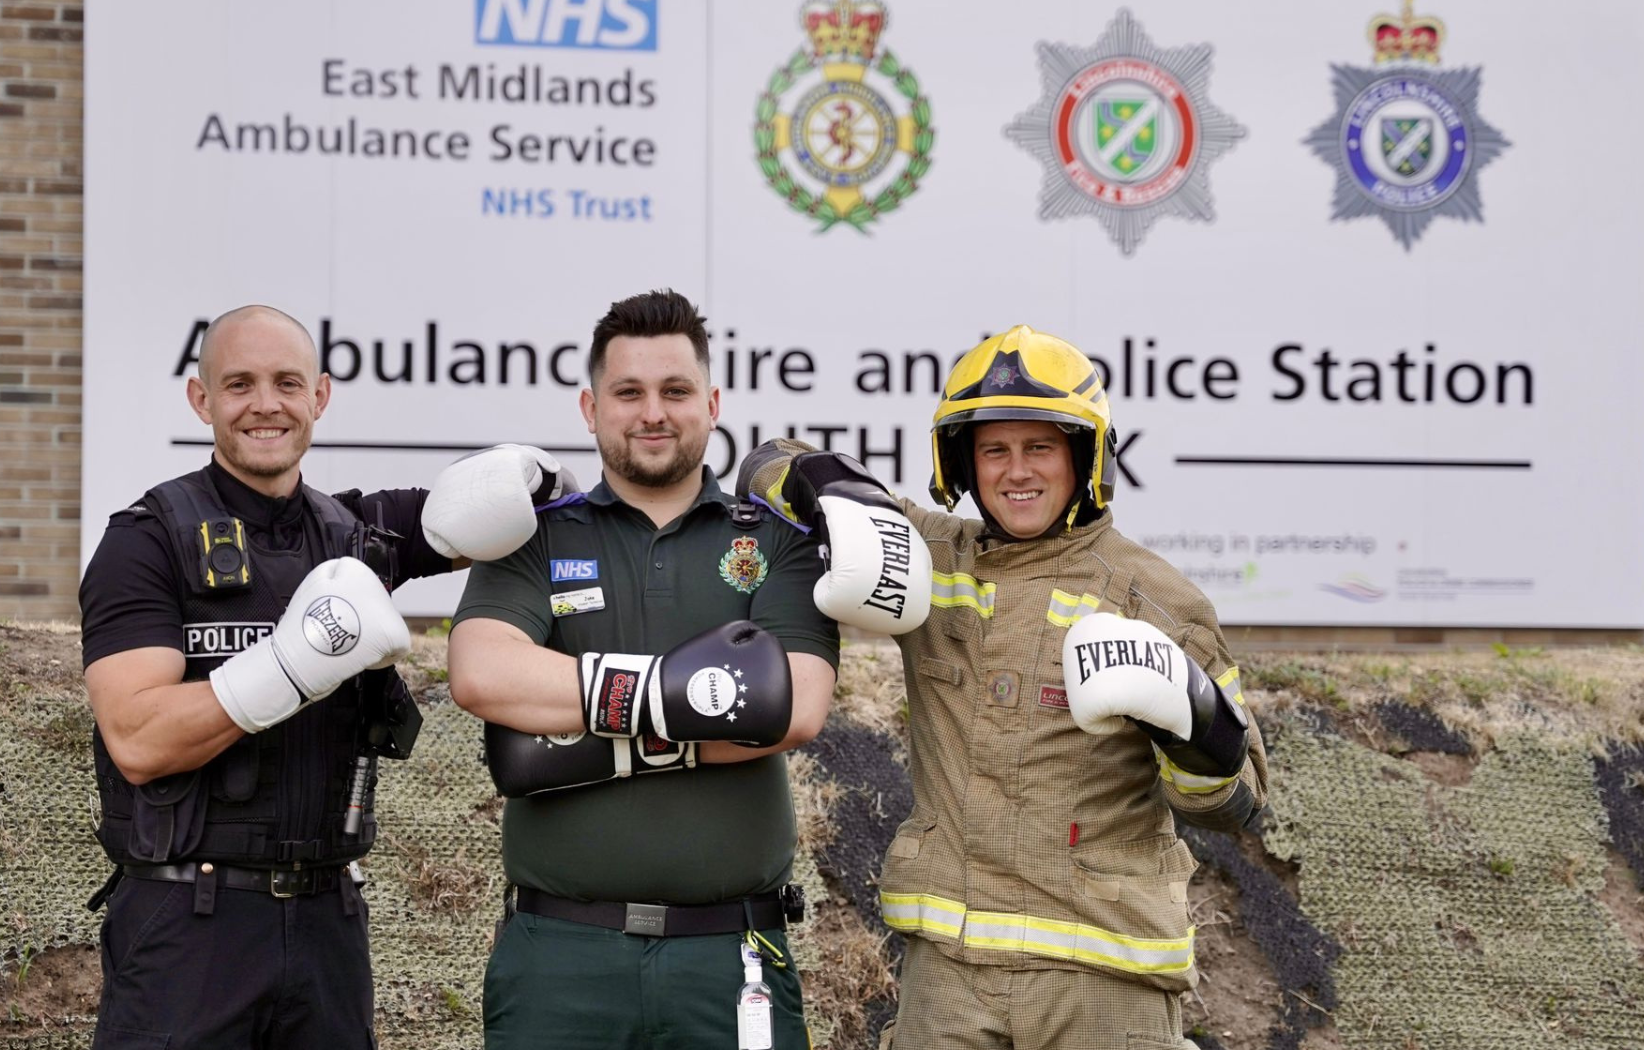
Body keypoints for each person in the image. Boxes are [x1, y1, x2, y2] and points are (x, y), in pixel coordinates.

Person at [741, 325, 1269, 1050]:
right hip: (948, 982)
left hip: (1104, 980)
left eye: (1039, 447)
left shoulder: (1160, 601)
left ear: (1084, 458)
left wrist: (1193, 721)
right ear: (964, 462)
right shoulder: (928, 558)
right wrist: (831, 485)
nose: (1016, 471)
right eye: (994, 449)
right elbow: (767, 464)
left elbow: (1237, 802)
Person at [446, 288, 926, 1049]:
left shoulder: (778, 538)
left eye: (675, 391)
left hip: (731, 957)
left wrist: (577, 739)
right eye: (628, 392)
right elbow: (481, 674)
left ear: (713, 403)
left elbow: (791, 707)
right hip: (559, 958)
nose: (653, 413)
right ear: (589, 407)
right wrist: (706, 699)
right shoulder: (534, 535)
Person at [80, 304, 553, 1049]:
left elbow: (495, 511)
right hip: (187, 931)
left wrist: (541, 476)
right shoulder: (147, 540)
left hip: (329, 925)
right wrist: (292, 665)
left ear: (320, 396)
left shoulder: (356, 534)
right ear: (201, 400)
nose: (265, 404)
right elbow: (137, 739)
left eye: (286, 383)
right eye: (239, 384)